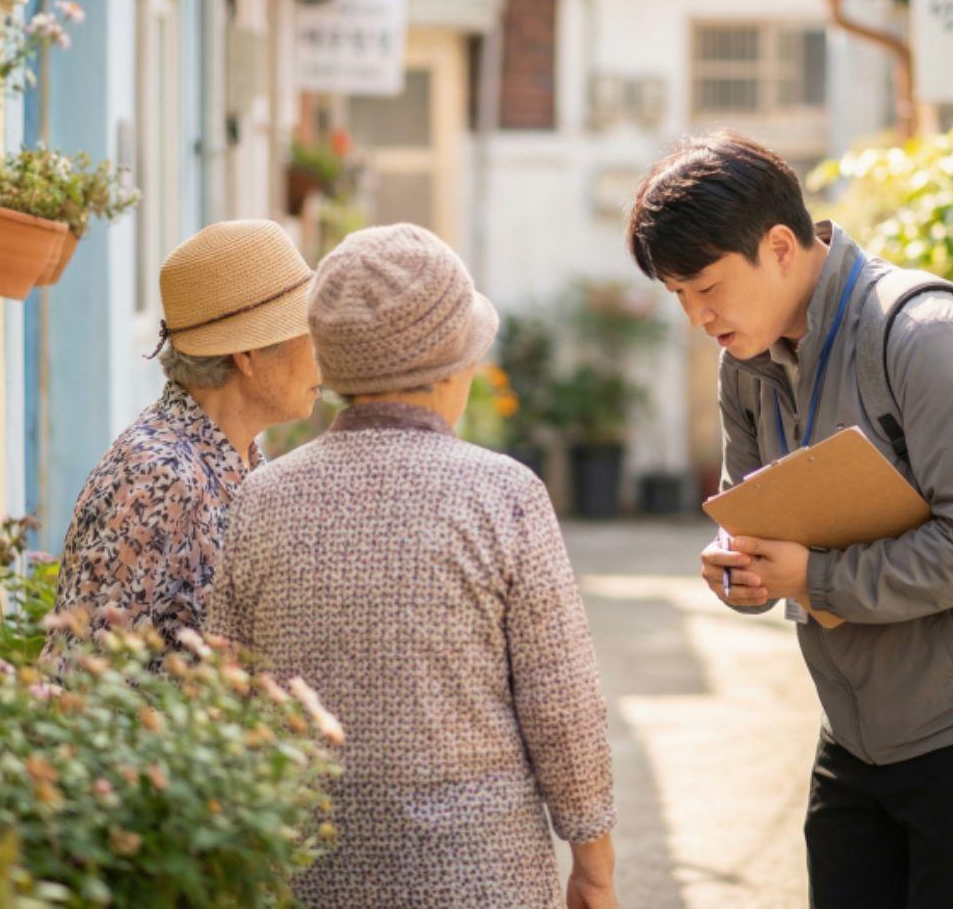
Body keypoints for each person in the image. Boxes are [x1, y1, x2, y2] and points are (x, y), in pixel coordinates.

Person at [627, 132, 953, 908]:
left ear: (778, 246)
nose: (697, 316)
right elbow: (751, 511)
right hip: (858, 722)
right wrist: (744, 568)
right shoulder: (748, 363)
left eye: (705, 286)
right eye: (677, 296)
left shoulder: (928, 338)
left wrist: (816, 577)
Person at [207, 224, 618, 909]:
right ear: (452, 366)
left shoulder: (261, 498)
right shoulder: (504, 495)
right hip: (480, 876)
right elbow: (562, 706)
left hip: (306, 871)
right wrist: (595, 866)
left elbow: (226, 691)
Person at [48, 220, 321, 654]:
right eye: (308, 332)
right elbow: (81, 675)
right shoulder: (161, 475)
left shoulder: (233, 457)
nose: (322, 349)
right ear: (247, 355)